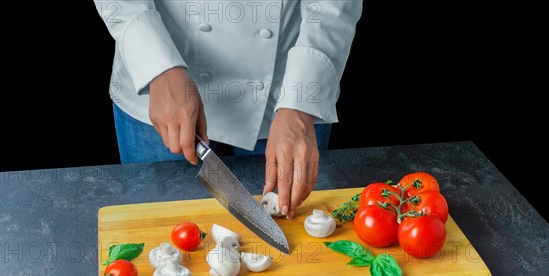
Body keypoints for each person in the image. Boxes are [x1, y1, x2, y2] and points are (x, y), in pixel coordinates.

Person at [95, 1, 362, 219]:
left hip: (287, 98)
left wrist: (301, 105)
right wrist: (157, 65)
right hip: (159, 85)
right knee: (154, 235)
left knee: (284, 250)